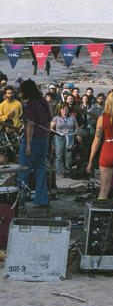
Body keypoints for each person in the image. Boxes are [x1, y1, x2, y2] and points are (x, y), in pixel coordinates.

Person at [17, 79, 52, 209]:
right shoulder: (43, 102)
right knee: (40, 169)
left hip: (32, 139)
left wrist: (28, 145)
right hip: (44, 139)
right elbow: (49, 120)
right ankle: (42, 199)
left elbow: (30, 125)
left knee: (23, 169)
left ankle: (19, 201)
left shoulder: (30, 105)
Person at [51, 103, 78, 177]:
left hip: (70, 137)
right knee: (59, 155)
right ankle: (58, 171)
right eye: (63, 109)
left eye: (66, 109)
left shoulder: (72, 117)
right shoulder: (56, 118)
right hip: (59, 137)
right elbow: (51, 128)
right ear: (60, 110)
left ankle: (68, 170)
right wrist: (56, 133)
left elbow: (76, 127)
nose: (64, 110)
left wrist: (74, 133)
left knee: (68, 154)